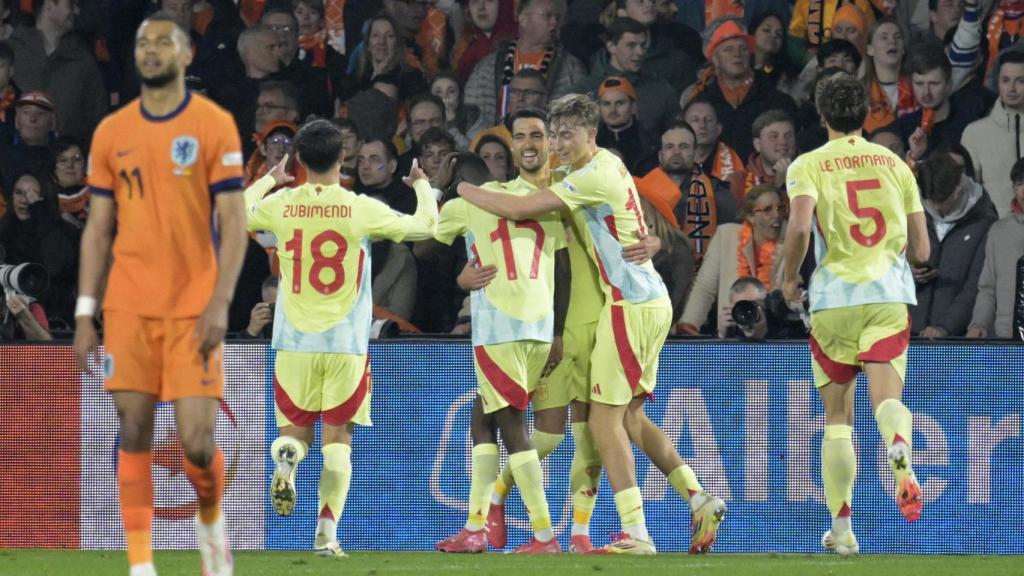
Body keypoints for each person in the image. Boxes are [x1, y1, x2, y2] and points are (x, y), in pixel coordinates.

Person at [456, 94, 726, 555]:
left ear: (591, 134)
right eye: (551, 134)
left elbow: (521, 210)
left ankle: (636, 534)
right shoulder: (599, 168)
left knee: (600, 424)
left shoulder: (590, 175)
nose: (556, 143)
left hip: (625, 306)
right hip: (634, 304)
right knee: (628, 419)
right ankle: (699, 498)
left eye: (562, 135)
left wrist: (463, 188)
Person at [73, 13, 248, 576]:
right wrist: (84, 312)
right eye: (142, 43)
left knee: (196, 443)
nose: (150, 51)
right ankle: (141, 565)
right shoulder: (111, 133)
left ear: (187, 54)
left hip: (194, 307)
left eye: (162, 43)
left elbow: (235, 222)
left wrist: (221, 300)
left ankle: (212, 521)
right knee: (134, 427)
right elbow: (98, 229)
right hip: (127, 305)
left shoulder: (213, 125)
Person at [244, 120, 439, 557]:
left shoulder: (284, 204)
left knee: (296, 434)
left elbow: (234, 213)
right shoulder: (359, 207)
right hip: (346, 344)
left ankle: (287, 456)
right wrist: (423, 186)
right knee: (338, 441)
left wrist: (268, 179)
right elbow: (426, 227)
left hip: (294, 342)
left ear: (299, 161)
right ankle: (327, 535)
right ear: (342, 159)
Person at [781, 72, 930, 556]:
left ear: (821, 115)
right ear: (865, 114)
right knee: (886, 396)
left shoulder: (808, 165)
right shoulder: (895, 164)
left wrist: (788, 277)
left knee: (838, 416)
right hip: (887, 295)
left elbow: (801, 227)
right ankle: (899, 446)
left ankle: (842, 531)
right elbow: (923, 250)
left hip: (832, 299)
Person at [433, 123, 568, 554]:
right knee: (482, 417)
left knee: (511, 426)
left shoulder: (463, 204)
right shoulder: (536, 199)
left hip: (500, 329)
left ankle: (544, 535)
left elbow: (425, 244)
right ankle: (474, 526)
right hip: (538, 326)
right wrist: (559, 330)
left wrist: (429, 189)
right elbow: (562, 269)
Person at [678, 184, 786, 337]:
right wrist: (689, 325)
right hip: (729, 334)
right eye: (767, 210)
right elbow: (704, 288)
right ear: (750, 216)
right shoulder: (727, 236)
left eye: (780, 208)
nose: (777, 215)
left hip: (774, 337)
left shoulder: (793, 242)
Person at [967, 157, 1024, 339]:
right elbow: (987, 288)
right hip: (1007, 339)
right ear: (1014, 188)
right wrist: (979, 324)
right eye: (1021, 183)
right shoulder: (999, 231)